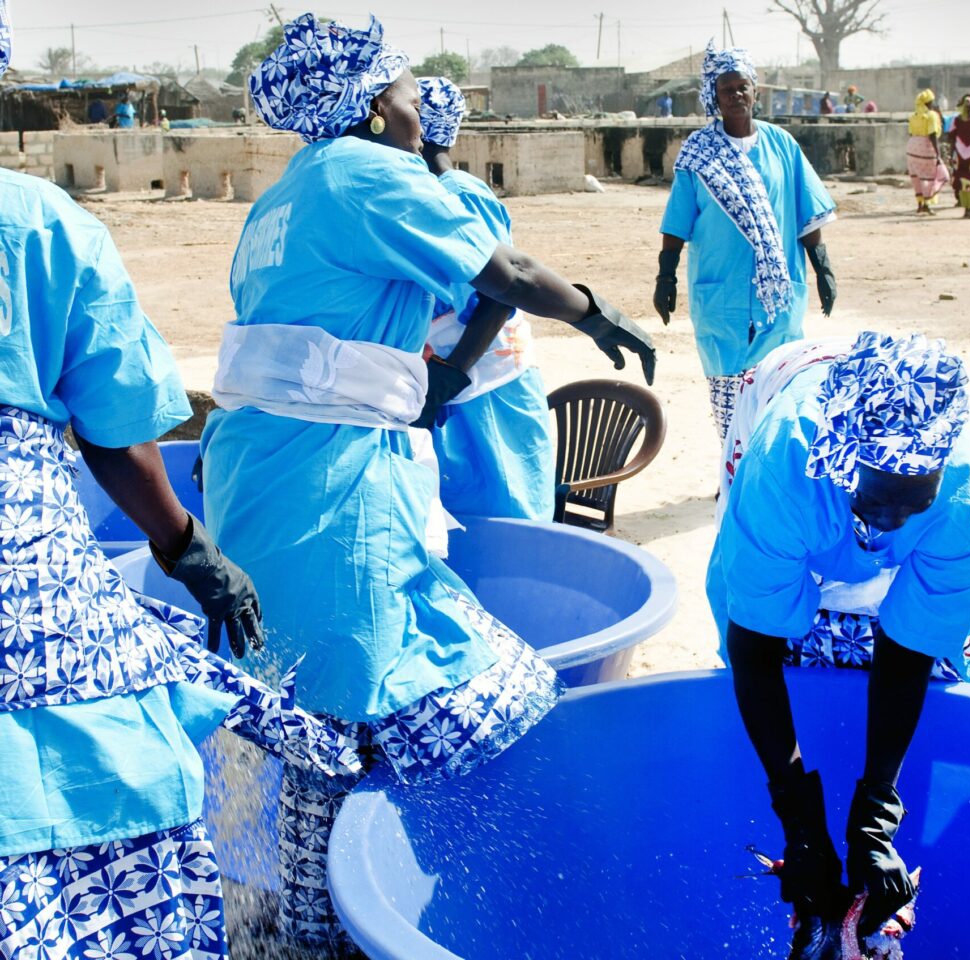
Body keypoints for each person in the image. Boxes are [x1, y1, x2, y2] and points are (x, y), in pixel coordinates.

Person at [203, 14, 653, 949]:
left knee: (307, 710)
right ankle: (357, 920)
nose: (420, 106)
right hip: (331, 493)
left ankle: (298, 918)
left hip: (264, 472)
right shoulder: (363, 173)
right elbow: (510, 271)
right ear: (373, 103)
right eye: (409, 89)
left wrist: (441, 381)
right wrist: (598, 312)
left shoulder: (281, 197)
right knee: (377, 697)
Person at [0, 5, 358, 957]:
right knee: (91, 782)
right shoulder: (35, 221)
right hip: (26, 588)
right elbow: (116, 427)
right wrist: (187, 547)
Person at [709, 333, 970, 957]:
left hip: (871, 501)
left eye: (914, 502)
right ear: (844, 460)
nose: (895, 521)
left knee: (953, 669)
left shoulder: (967, 502)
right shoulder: (784, 470)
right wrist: (800, 820)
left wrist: (876, 809)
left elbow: (909, 650)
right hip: (791, 422)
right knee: (778, 626)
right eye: (878, 500)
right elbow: (755, 649)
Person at [654, 40, 837, 441]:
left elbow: (808, 212)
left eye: (742, 87)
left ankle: (770, 477)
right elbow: (676, 224)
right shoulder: (698, 153)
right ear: (712, 97)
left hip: (780, 296)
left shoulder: (782, 146)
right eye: (726, 89)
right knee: (730, 398)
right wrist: (665, 278)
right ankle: (733, 476)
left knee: (780, 389)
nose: (736, 95)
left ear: (755, 91)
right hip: (722, 297)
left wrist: (823, 270)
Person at [416, 75, 557, 520]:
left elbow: (501, 293)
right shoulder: (412, 197)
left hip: (490, 381)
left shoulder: (461, 194)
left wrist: (453, 372)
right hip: (445, 383)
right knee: (458, 514)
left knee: (510, 508)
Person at [906, 89, 947, 215]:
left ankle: (920, 204)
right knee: (931, 176)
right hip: (925, 147)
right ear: (928, 103)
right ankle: (927, 204)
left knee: (917, 177)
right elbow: (933, 134)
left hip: (912, 147)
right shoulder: (931, 115)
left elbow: (910, 132)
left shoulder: (913, 116)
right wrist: (938, 153)